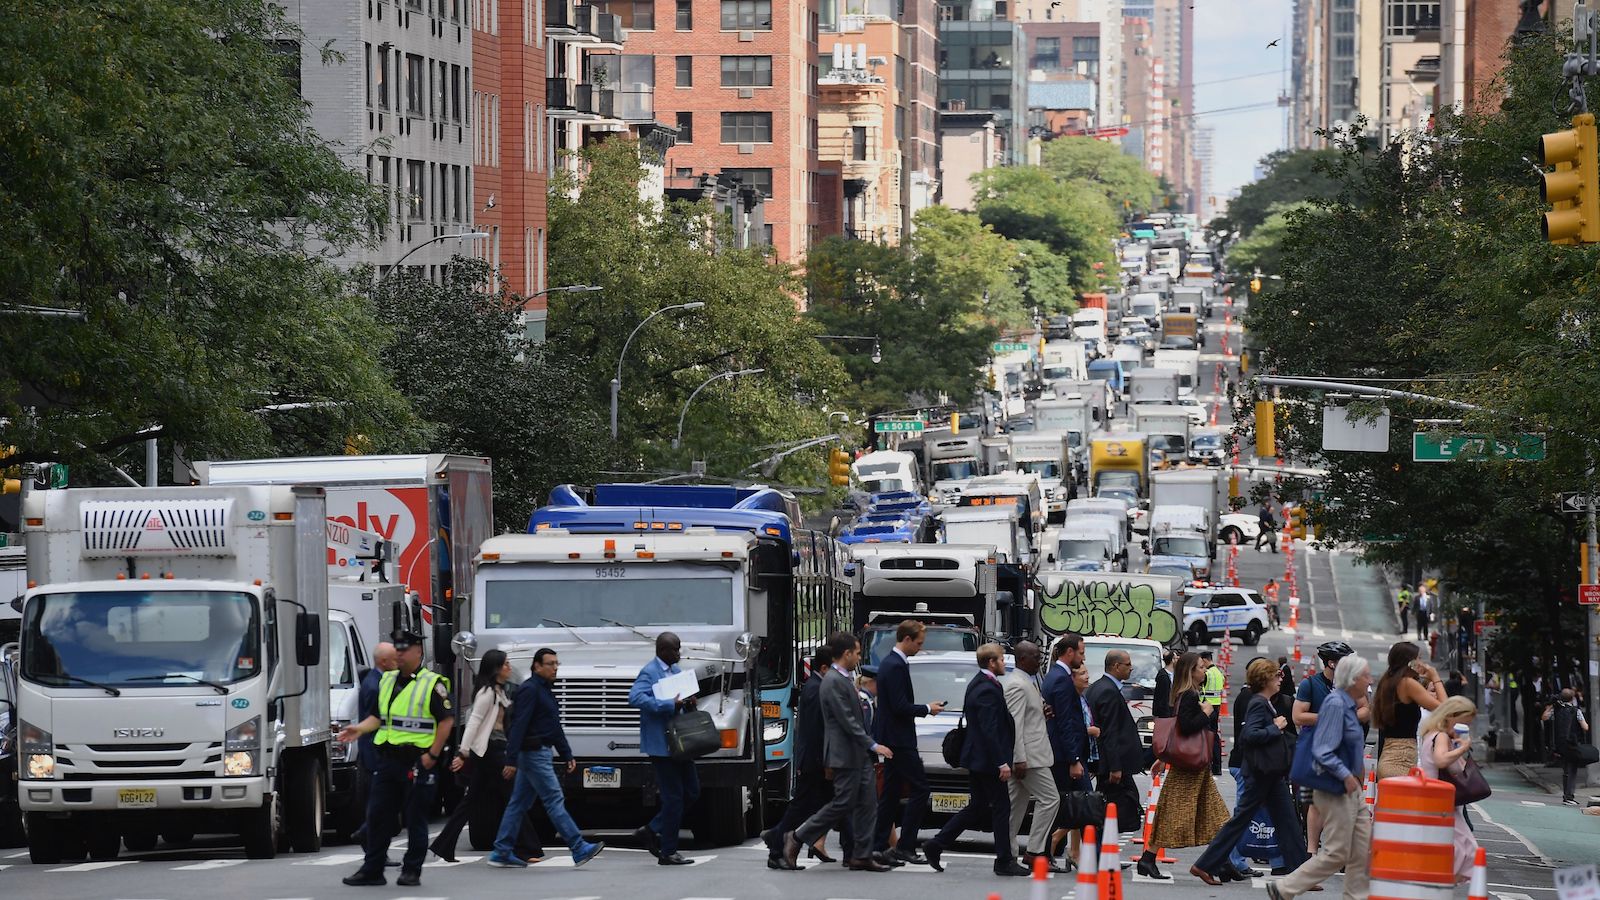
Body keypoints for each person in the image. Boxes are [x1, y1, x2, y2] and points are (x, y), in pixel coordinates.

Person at [336, 630, 455, 888]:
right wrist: (359, 729)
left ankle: (411, 870)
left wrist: (432, 755)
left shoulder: (433, 683)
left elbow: (446, 722)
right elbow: (379, 718)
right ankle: (373, 869)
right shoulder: (387, 681)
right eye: (397, 649)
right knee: (378, 816)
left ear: (418, 652)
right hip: (389, 761)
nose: (399, 654)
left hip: (418, 761)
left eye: (404, 650)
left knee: (415, 819)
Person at [778, 632, 892, 872]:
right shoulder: (832, 681)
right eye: (858, 653)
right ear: (847, 653)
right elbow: (846, 720)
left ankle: (861, 854)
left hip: (858, 753)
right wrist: (872, 744)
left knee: (868, 803)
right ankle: (797, 836)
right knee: (842, 803)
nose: (859, 657)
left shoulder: (844, 678)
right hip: (845, 754)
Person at [1265, 654, 1374, 900]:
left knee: (1361, 847)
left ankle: (1355, 895)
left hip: (1349, 786)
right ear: (1354, 679)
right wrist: (1346, 775)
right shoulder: (1336, 704)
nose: (1370, 680)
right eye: (1366, 675)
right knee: (1337, 852)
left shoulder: (1346, 703)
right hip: (1335, 786)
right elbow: (1323, 749)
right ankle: (1285, 888)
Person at [486, 648, 604, 869]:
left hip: (538, 751)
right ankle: (578, 847)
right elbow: (519, 725)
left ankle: (502, 850)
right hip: (533, 753)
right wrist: (511, 759)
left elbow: (554, 727)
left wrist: (566, 753)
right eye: (550, 663)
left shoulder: (545, 691)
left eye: (557, 663)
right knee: (553, 799)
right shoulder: (530, 690)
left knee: (518, 803)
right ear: (537, 666)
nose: (555, 667)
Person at [1193, 659, 1309, 883]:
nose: (1280, 678)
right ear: (1265, 679)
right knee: (1243, 821)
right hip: (1261, 774)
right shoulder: (1258, 703)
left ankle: (1302, 873)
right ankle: (1204, 865)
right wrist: (1275, 727)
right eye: (1276, 675)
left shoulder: (1264, 702)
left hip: (1269, 774)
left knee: (1288, 822)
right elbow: (1250, 736)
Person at [919, 643, 1026, 876]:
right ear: (991, 662)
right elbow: (990, 729)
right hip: (987, 760)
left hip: (978, 759)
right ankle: (1004, 860)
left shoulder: (980, 683)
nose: (1003, 664)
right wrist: (1001, 762)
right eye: (1000, 659)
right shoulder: (987, 688)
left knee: (977, 806)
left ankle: (936, 844)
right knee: (1001, 807)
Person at [431, 650, 543, 863]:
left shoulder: (499, 692)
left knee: (471, 801)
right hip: (491, 751)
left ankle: (443, 845)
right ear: (496, 668)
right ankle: (526, 849)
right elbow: (473, 722)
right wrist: (463, 752)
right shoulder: (487, 693)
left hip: (492, 751)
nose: (510, 667)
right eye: (506, 664)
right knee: (513, 798)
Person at [1141, 652, 1228, 882]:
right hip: (1189, 766)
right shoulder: (1188, 695)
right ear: (1191, 671)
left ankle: (1224, 861)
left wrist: (1165, 758)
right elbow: (1187, 727)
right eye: (1201, 667)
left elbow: (1178, 731)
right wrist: (1206, 713)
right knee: (1176, 814)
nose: (1205, 671)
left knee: (1215, 814)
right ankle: (1148, 859)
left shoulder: (1188, 694)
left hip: (1193, 766)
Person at [872, 620, 945, 865]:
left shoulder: (894, 664)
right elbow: (899, 706)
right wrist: (927, 708)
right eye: (918, 643)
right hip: (899, 739)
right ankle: (904, 846)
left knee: (891, 793)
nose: (920, 648)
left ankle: (879, 845)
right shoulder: (894, 666)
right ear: (906, 639)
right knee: (921, 789)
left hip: (895, 737)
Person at [628, 632, 699, 866]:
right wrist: (668, 704)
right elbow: (635, 698)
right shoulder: (650, 672)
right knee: (673, 797)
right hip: (660, 745)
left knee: (692, 791)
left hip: (679, 743)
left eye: (679, 649)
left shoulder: (677, 673)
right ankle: (668, 851)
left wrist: (688, 703)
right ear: (662, 651)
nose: (679, 654)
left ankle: (652, 829)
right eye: (675, 650)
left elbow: (682, 704)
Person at [764, 647, 837, 866]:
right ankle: (777, 844)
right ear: (824, 668)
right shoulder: (816, 690)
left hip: (812, 759)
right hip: (813, 761)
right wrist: (823, 762)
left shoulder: (816, 686)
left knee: (820, 805)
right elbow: (816, 731)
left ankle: (777, 837)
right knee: (803, 807)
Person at [1292, 641, 1364, 856]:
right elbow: (1298, 716)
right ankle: (1312, 849)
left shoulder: (1352, 685)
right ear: (1331, 663)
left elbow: (1366, 710)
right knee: (1316, 801)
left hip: (1347, 750)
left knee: (1348, 798)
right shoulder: (1311, 685)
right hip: (1317, 749)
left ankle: (1341, 847)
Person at [1087, 650, 1152, 875]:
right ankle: (1098, 856)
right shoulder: (1107, 691)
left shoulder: (1100, 687)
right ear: (1116, 666)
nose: (1131, 668)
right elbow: (1110, 732)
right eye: (1127, 664)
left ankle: (1104, 855)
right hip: (1113, 765)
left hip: (1111, 763)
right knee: (1111, 810)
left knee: (1105, 809)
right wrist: (1115, 766)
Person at [1003, 641, 1062, 871]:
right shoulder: (1017, 684)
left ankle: (1008, 852)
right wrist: (1019, 758)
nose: (1039, 662)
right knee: (1050, 799)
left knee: (1015, 808)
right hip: (1029, 757)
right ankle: (1035, 850)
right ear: (1022, 659)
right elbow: (1015, 723)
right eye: (1035, 657)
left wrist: (1042, 713)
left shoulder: (1027, 681)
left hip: (1029, 755)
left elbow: (1027, 717)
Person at [1416, 697, 1480, 880]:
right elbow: (1441, 760)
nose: (1464, 727)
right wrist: (1463, 748)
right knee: (1467, 850)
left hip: (1437, 799)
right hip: (1441, 801)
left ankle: (1437, 883)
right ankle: (1438, 884)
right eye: (1463, 723)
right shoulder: (1441, 736)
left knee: (1458, 849)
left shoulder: (1433, 734)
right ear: (1451, 716)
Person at [1042, 634, 1091, 867]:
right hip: (1063, 755)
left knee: (1075, 804)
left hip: (1063, 753)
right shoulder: (1061, 678)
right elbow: (1065, 722)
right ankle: (1045, 850)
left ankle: (1067, 851)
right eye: (1081, 652)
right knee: (1072, 803)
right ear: (1069, 652)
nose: (1083, 657)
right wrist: (1074, 759)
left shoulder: (1054, 675)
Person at [1372, 642, 1446, 779]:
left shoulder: (1388, 681)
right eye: (1418, 658)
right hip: (1401, 760)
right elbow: (1445, 708)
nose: (1421, 662)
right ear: (1409, 662)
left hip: (1390, 756)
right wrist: (1435, 677)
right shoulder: (1407, 683)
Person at [350, 641, 397, 851]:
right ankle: (368, 839)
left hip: (376, 752)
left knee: (382, 805)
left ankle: (373, 844)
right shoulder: (374, 685)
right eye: (394, 658)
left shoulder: (378, 681)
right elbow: (374, 720)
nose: (398, 662)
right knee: (379, 805)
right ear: (384, 661)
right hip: (374, 753)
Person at [1549, 688, 1593, 806]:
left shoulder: (1557, 710)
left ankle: (1566, 795)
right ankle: (1569, 796)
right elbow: (1585, 727)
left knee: (1566, 770)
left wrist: (1551, 706)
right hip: (1572, 744)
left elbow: (1544, 717)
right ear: (1572, 699)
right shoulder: (1576, 711)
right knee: (1572, 770)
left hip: (1560, 744)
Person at [1199, 650, 1226, 775]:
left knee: (1204, 736)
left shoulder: (1207, 673)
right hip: (1217, 706)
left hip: (1206, 707)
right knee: (1214, 737)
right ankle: (1217, 766)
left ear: (1205, 660)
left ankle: (1205, 763)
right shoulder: (1219, 673)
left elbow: (1200, 687)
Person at [1154, 648, 1177, 719]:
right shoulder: (1163, 677)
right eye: (1176, 658)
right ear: (1172, 660)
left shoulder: (1175, 674)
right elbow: (1162, 698)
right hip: (1166, 714)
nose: (1177, 660)